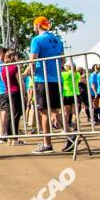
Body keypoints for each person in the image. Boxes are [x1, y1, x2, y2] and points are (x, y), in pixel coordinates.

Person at [29, 17, 67, 153]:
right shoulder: (57, 39)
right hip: (56, 79)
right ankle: (71, 135)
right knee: (55, 111)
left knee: (44, 112)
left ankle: (47, 144)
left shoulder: (36, 40)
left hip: (42, 78)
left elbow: (32, 60)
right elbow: (63, 60)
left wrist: (28, 73)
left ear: (38, 25)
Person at [0, 51, 24, 144]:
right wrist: (23, 93)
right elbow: (20, 81)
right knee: (16, 115)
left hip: (6, 92)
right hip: (15, 91)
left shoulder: (3, 69)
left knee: (9, 115)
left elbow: (2, 80)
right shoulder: (15, 67)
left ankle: (9, 138)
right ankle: (15, 139)